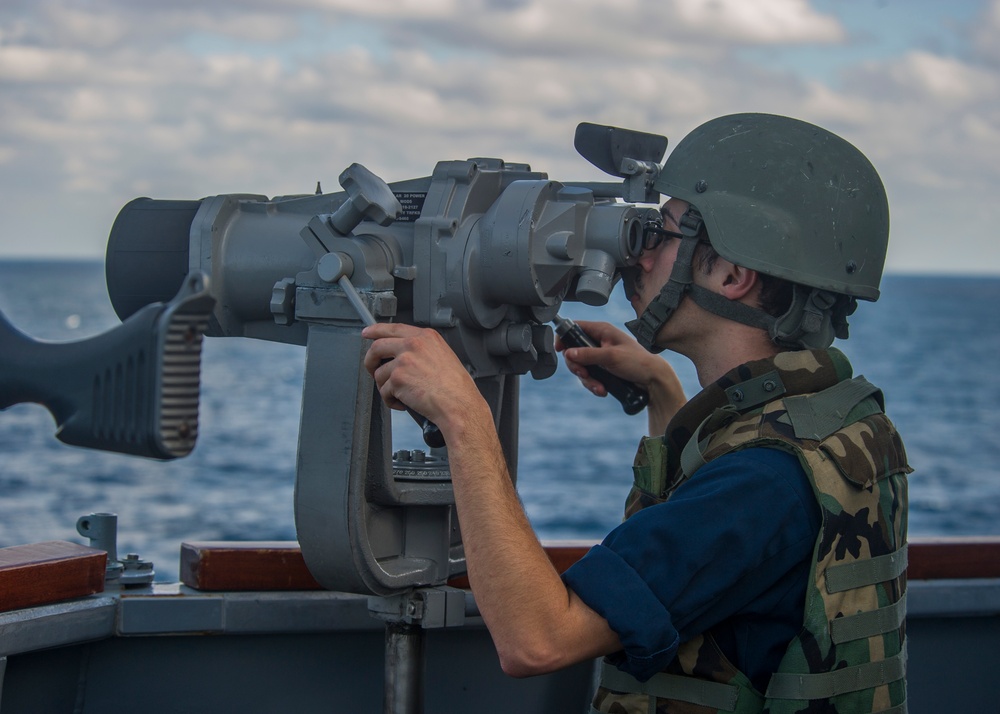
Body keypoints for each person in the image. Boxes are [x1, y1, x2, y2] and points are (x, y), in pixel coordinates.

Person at [363, 113, 910, 713]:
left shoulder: (763, 481)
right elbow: (729, 557)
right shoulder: (834, 419)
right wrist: (662, 392)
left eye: (663, 232)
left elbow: (539, 641)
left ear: (732, 274)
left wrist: (463, 418)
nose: (638, 255)